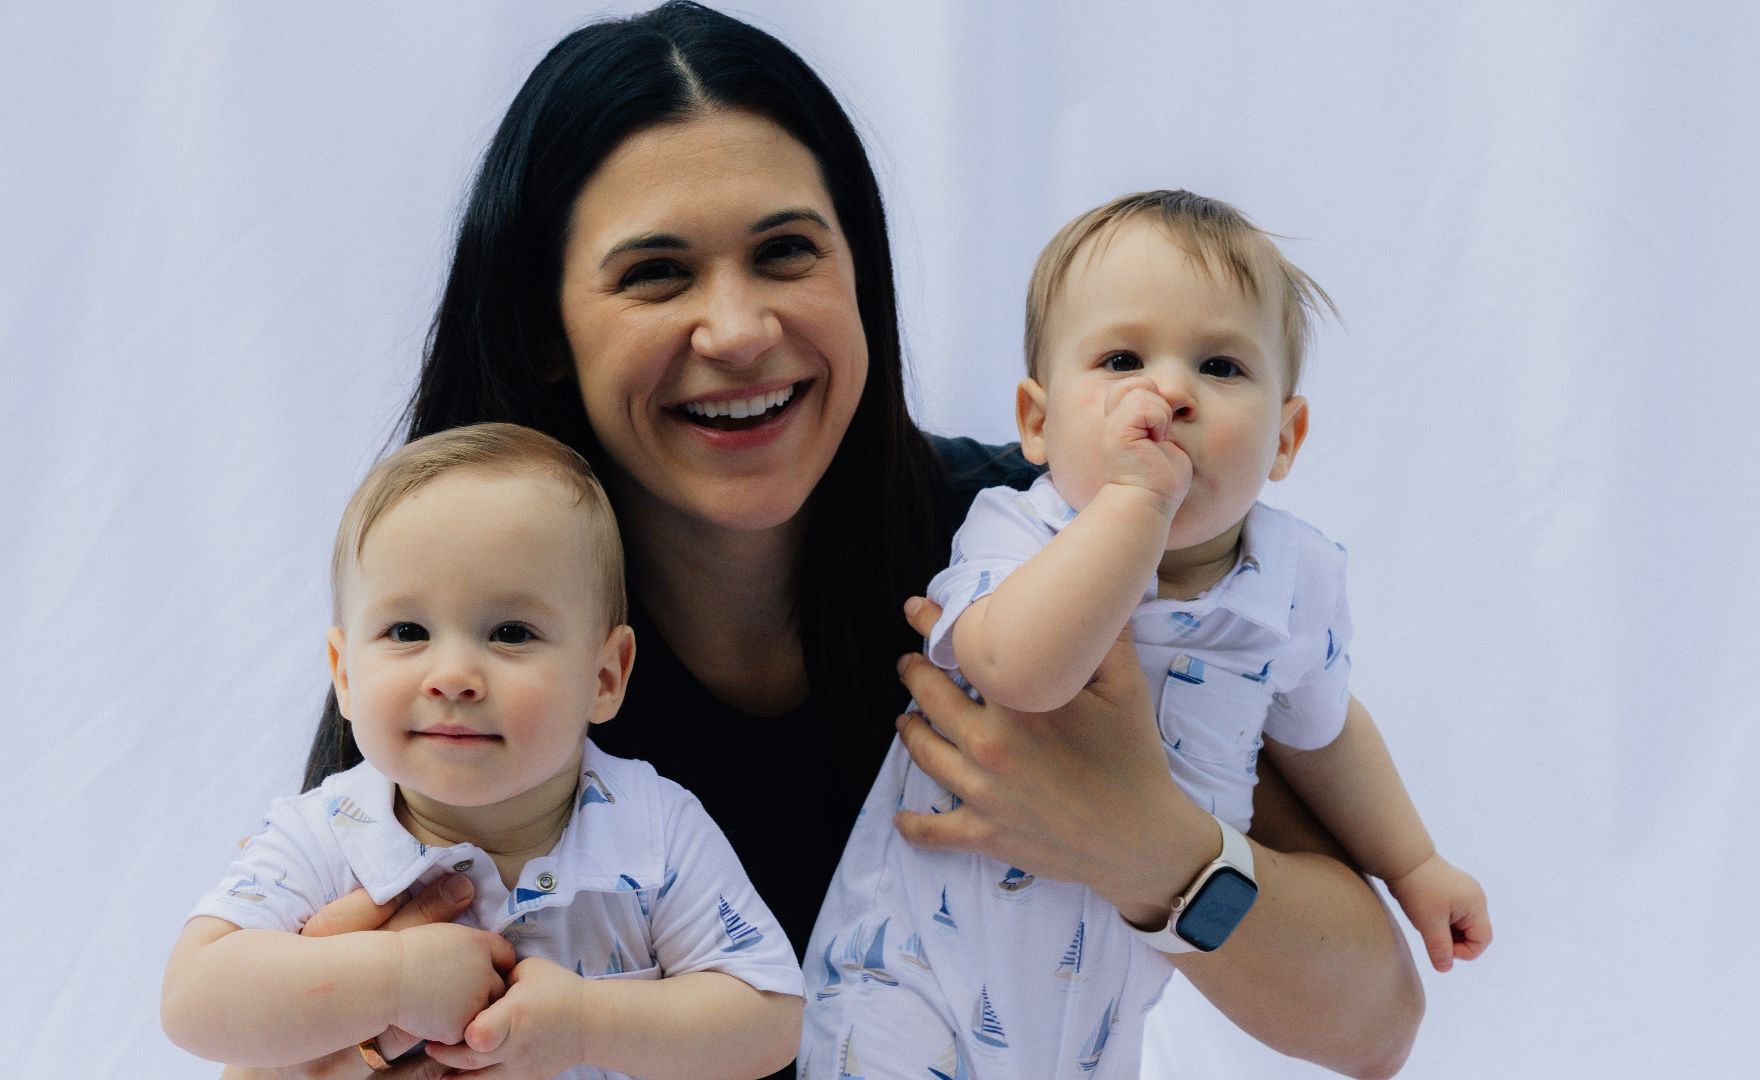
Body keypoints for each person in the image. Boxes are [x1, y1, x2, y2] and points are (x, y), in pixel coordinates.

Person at [229, 4, 1425, 1078]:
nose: (739, 329)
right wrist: (360, 1035)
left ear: (862, 276)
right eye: (656, 275)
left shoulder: (1053, 549)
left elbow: (1376, 1023)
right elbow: (270, 1048)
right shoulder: (468, 638)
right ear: (546, 332)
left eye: (786, 252)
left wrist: (1151, 848)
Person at [804, 190, 1490, 1076]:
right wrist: (1135, 505)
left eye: (1221, 366)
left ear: (1286, 438)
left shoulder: (1295, 579)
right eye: (1122, 359)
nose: (1168, 392)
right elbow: (1018, 673)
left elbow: (1324, 734)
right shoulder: (1020, 531)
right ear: (1038, 422)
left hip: (1100, 990)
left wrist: (1413, 864)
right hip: (912, 961)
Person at [166, 424, 802, 1078]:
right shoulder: (324, 837)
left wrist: (586, 1024)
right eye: (407, 630)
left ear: (605, 676)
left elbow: (770, 1019)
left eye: (511, 632)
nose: (453, 676)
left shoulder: (655, 830)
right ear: (345, 674)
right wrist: (393, 978)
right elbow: (192, 999)